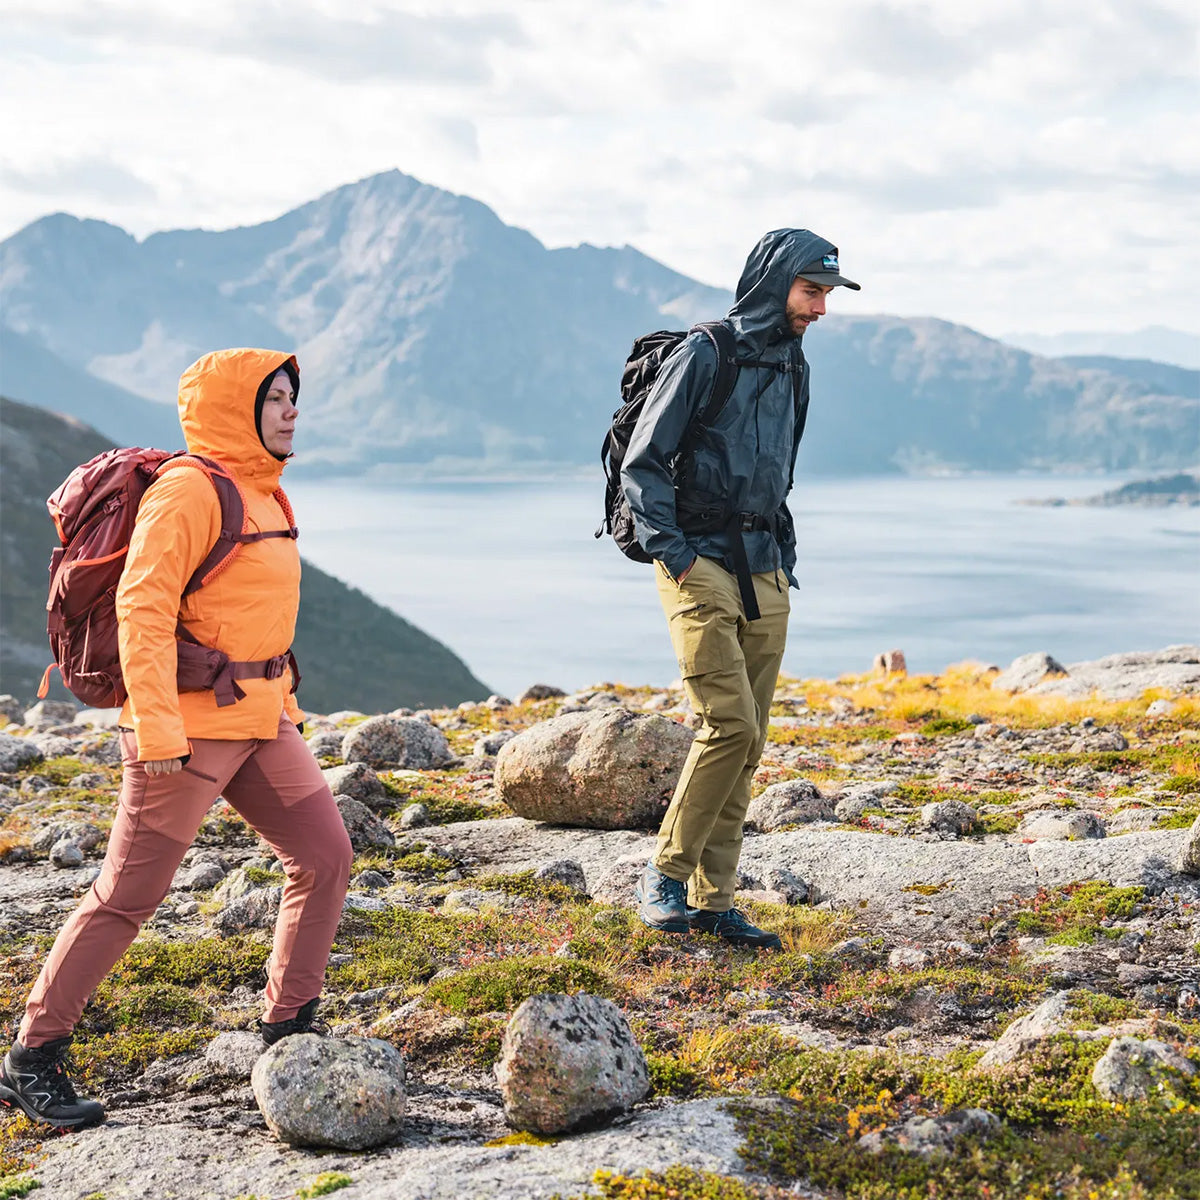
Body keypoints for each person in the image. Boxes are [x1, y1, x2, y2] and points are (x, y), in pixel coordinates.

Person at [0, 349, 353, 1129]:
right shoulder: (190, 489)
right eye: (276, 399)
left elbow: (254, 619)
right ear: (236, 408)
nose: (292, 411)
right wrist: (157, 728)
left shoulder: (266, 491)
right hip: (187, 731)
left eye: (293, 397)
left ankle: (288, 1026)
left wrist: (285, 705)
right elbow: (144, 608)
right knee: (129, 895)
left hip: (260, 722)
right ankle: (31, 1056)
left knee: (326, 857)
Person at [622, 229, 859, 950]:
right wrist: (677, 557)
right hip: (699, 560)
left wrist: (782, 558)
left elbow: (780, 470)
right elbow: (643, 464)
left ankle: (714, 901)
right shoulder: (706, 353)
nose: (820, 309)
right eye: (811, 292)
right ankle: (664, 874)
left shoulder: (794, 366)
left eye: (827, 295)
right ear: (776, 283)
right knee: (726, 724)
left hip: (765, 565)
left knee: (750, 739)